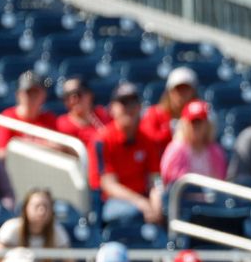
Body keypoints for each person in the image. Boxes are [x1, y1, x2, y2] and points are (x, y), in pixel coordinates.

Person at [88, 82, 162, 225]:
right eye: (123, 103)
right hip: (111, 201)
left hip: (143, 197)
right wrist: (142, 203)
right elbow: (108, 185)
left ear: (140, 107)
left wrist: (156, 202)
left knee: (169, 207)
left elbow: (154, 179)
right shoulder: (103, 140)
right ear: (112, 109)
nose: (129, 108)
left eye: (133, 102)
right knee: (132, 213)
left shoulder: (146, 139)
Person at [0, 188, 77, 262]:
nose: (42, 211)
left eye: (46, 206)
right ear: (25, 208)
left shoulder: (57, 231)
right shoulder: (11, 228)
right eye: (37, 206)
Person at [160, 99, 227, 186]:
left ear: (206, 125)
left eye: (200, 122)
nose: (196, 127)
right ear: (185, 125)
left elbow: (220, 182)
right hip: (184, 198)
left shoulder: (215, 151)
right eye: (193, 122)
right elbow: (173, 184)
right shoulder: (176, 150)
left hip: (210, 198)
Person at [0, 70, 58, 159]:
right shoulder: (8, 118)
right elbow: (0, 153)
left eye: (36, 92)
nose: (32, 97)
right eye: (28, 92)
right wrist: (41, 146)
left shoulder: (49, 119)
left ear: (43, 95)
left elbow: (58, 148)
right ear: (18, 94)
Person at [140, 66, 199, 155]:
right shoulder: (154, 114)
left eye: (186, 89)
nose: (182, 94)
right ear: (169, 92)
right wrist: (170, 131)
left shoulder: (200, 117)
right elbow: (147, 140)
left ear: (193, 92)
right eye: (178, 89)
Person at [55, 76, 111, 147]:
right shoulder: (61, 124)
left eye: (77, 94)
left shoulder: (103, 114)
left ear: (89, 95)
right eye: (67, 96)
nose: (72, 100)